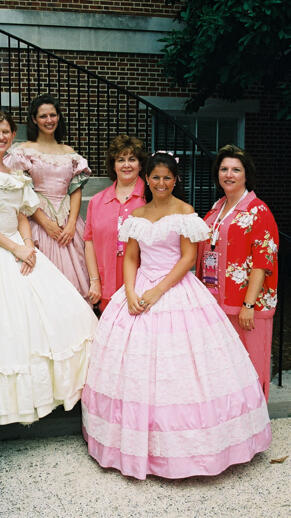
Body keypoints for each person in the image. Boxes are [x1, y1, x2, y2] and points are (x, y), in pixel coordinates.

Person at [82, 151, 271, 480]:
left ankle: (193, 448)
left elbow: (187, 259)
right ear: (148, 179)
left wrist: (158, 291)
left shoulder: (186, 212)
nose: (161, 183)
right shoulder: (136, 215)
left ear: (176, 180)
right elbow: (130, 258)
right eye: (155, 177)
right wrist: (130, 291)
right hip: (139, 286)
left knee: (182, 371)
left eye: (167, 178)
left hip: (175, 288)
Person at [0, 109, 98, 426]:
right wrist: (14, 248)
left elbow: (23, 214)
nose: (1, 137)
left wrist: (29, 245)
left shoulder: (16, 174)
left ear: (13, 136)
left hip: (20, 245)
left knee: (60, 315)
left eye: (6, 132)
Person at [196, 144, 278, 401]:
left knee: (250, 368)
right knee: (225, 370)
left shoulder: (258, 211)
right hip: (216, 303)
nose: (228, 174)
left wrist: (249, 304)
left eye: (235, 169)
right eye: (224, 169)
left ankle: (253, 426)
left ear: (246, 174)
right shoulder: (216, 208)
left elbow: (263, 262)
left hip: (246, 306)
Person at [4, 94, 90, 299]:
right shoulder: (23, 151)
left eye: (53, 115)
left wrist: (70, 224)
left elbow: (76, 189)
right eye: (43, 116)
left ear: (59, 117)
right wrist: (45, 223)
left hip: (68, 220)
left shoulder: (69, 152)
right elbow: (21, 193)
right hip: (37, 218)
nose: (49, 120)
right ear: (34, 119)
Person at [84, 135, 147, 312]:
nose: (126, 164)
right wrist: (95, 281)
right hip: (107, 284)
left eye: (132, 159)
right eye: (121, 159)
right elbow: (89, 243)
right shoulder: (97, 202)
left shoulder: (150, 200)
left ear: (140, 165)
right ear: (113, 165)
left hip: (141, 286)